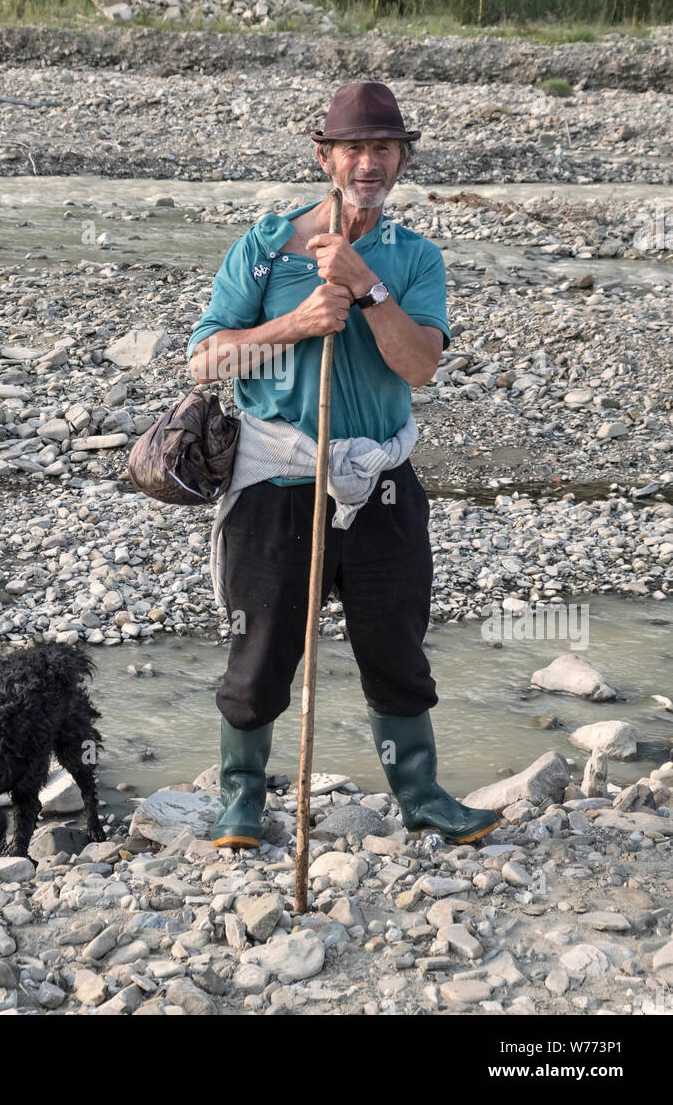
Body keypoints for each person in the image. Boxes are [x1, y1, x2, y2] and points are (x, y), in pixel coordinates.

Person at [186, 81, 499, 850]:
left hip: (381, 483)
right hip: (277, 483)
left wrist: (366, 288)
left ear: (400, 160)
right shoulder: (264, 249)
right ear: (323, 157)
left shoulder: (413, 258)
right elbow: (205, 361)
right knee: (262, 654)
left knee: (394, 645)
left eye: (382, 148)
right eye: (353, 148)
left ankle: (421, 796)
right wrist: (296, 322)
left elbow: (419, 366)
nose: (368, 162)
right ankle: (242, 805)